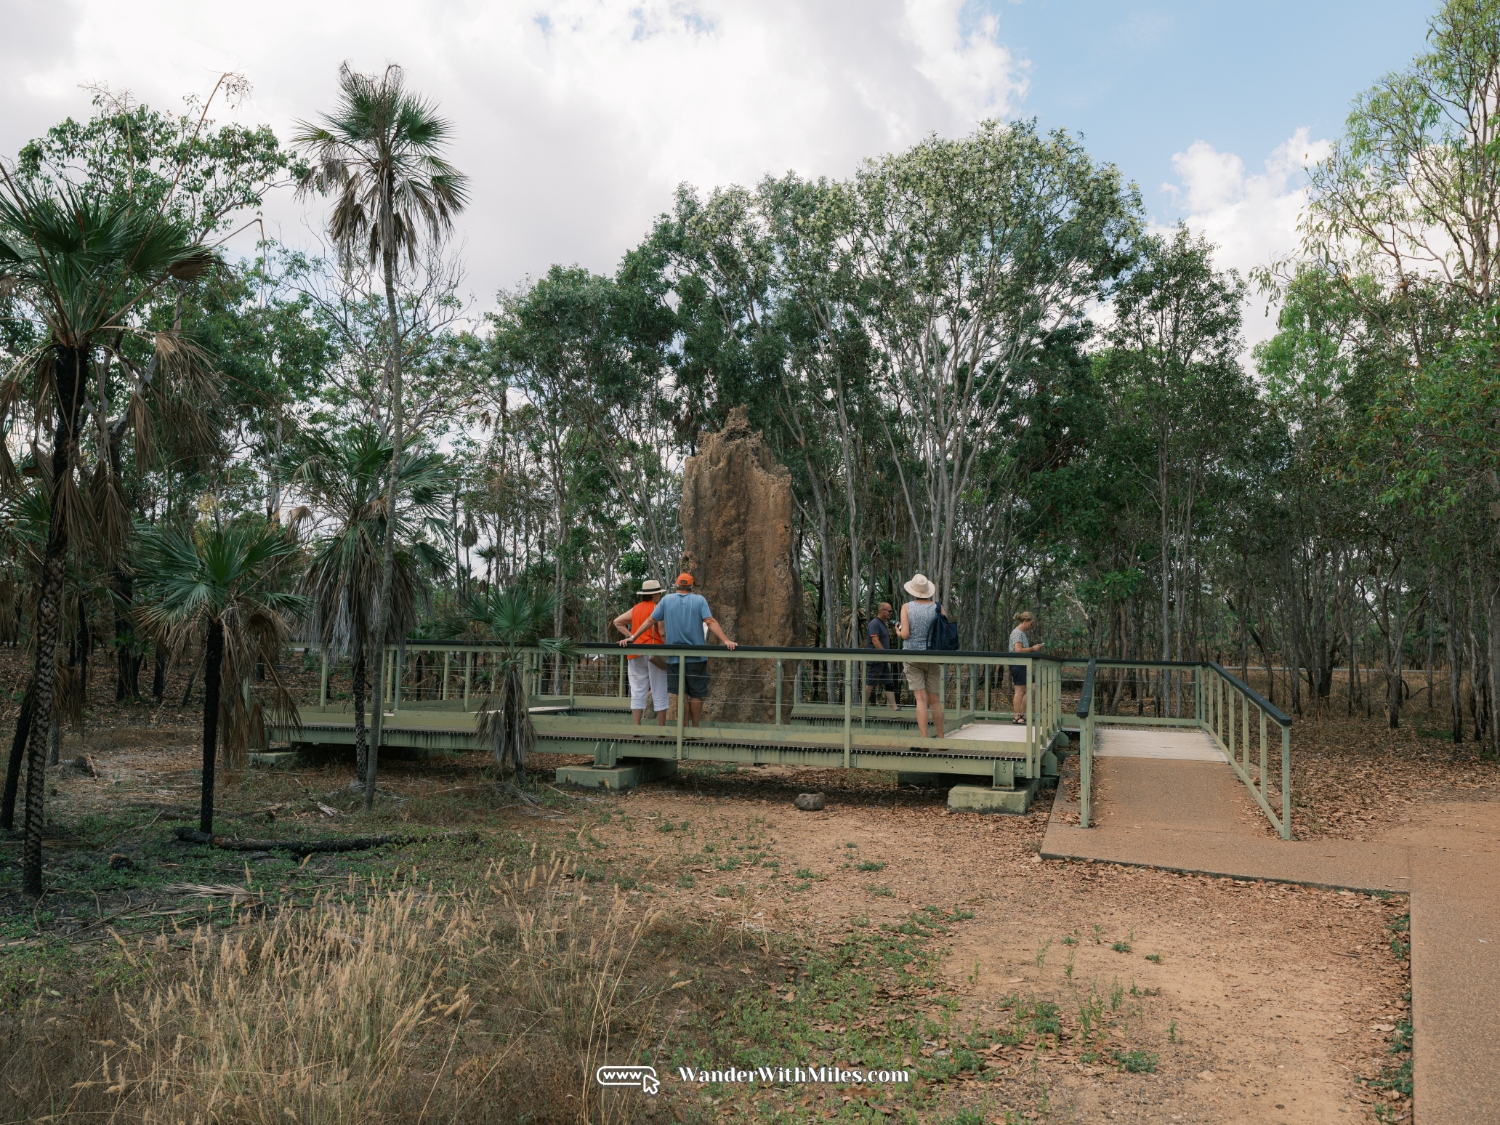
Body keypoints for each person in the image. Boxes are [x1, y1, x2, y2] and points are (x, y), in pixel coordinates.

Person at [618, 572, 737, 727]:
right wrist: (726, 640)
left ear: (676, 586)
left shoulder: (667, 600)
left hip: (674, 657)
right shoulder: (699, 600)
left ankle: (684, 730)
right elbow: (710, 621)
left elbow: (650, 620)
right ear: (692, 587)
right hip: (697, 657)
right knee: (696, 694)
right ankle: (695, 729)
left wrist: (633, 637)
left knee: (681, 695)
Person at [896, 573, 947, 739]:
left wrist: (897, 631)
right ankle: (941, 739)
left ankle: (924, 740)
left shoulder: (906, 607)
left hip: (912, 656)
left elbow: (905, 634)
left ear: (913, 590)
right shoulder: (938, 607)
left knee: (921, 700)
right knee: (934, 700)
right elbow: (945, 630)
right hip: (932, 656)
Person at [612, 578, 668, 726]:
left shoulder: (636, 608)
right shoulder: (658, 608)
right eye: (658, 594)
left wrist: (631, 637)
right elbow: (662, 632)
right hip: (654, 653)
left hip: (635, 652)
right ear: (655, 595)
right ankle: (661, 729)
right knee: (659, 689)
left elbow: (617, 621)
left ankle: (637, 727)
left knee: (637, 690)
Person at [863, 602, 899, 711]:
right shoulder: (874, 623)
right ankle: (862, 708)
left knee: (889, 683)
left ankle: (894, 709)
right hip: (876, 659)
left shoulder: (882, 624)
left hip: (882, 660)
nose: (890, 613)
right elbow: (875, 640)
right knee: (870, 683)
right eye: (889, 611)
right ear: (882, 610)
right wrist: (887, 657)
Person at [1009, 611, 1043, 725]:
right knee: (1020, 691)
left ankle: (1021, 714)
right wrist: (1032, 649)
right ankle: (1017, 716)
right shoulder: (1017, 633)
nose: (1031, 626)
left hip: (1024, 665)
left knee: (1032, 687)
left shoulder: (1022, 633)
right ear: (1025, 621)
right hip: (1017, 665)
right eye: (1031, 623)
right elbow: (1018, 650)